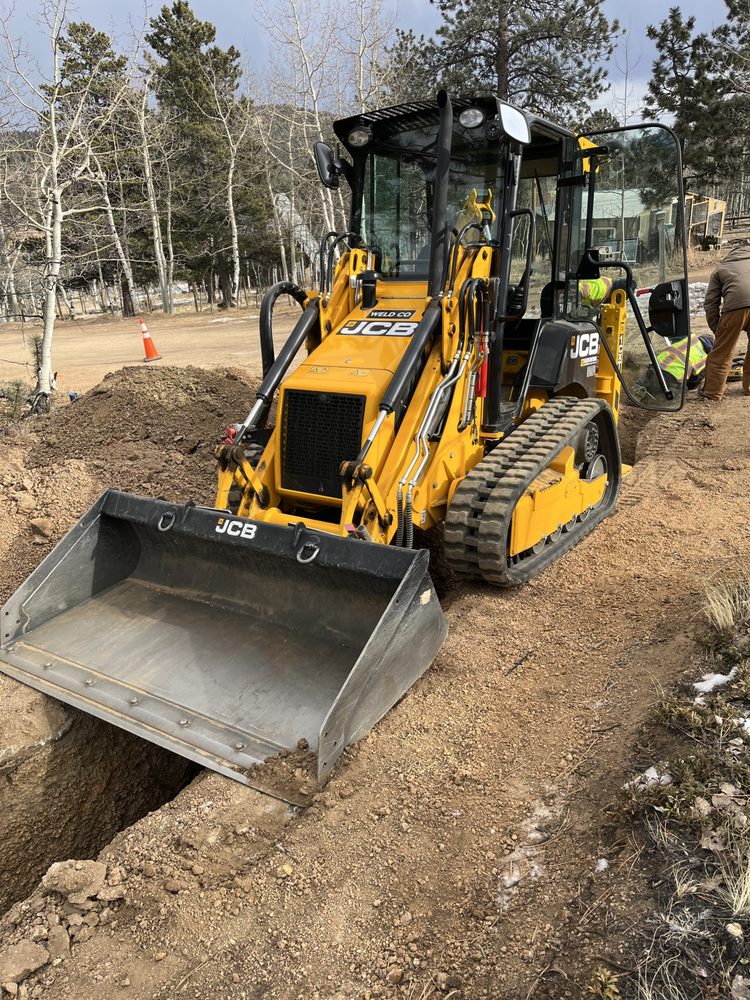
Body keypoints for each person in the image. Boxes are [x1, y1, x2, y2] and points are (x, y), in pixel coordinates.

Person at [703, 244, 750, 399]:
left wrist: (718, 330)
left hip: (735, 307)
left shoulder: (721, 269)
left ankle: (712, 392)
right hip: (739, 304)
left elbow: (711, 303)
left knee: (722, 352)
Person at [632, 334, 714, 403]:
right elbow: (695, 377)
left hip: (656, 364)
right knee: (679, 398)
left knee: (647, 381)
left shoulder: (690, 339)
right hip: (674, 375)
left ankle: (637, 392)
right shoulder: (704, 356)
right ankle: (658, 404)